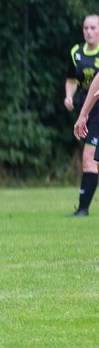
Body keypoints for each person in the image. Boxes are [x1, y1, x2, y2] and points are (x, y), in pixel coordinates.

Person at [64, 15, 99, 216]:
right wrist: (69, 96)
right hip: (89, 108)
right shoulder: (76, 52)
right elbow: (71, 79)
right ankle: (83, 208)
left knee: (89, 157)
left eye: (93, 27)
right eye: (86, 27)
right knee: (91, 159)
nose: (89, 31)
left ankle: (83, 209)